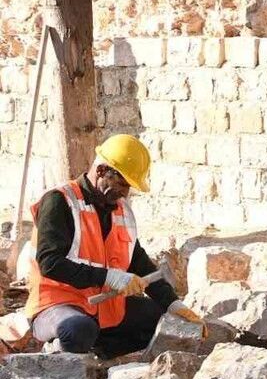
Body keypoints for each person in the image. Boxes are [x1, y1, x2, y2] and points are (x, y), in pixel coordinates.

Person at [26, 134, 202, 358]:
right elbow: (50, 264)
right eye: (122, 184)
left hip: (105, 311)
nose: (125, 193)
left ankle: (99, 354)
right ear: (101, 171)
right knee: (78, 330)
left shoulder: (120, 210)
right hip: (57, 305)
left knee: (162, 320)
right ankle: (58, 352)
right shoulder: (59, 201)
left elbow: (140, 264)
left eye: (129, 187)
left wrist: (174, 305)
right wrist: (108, 277)